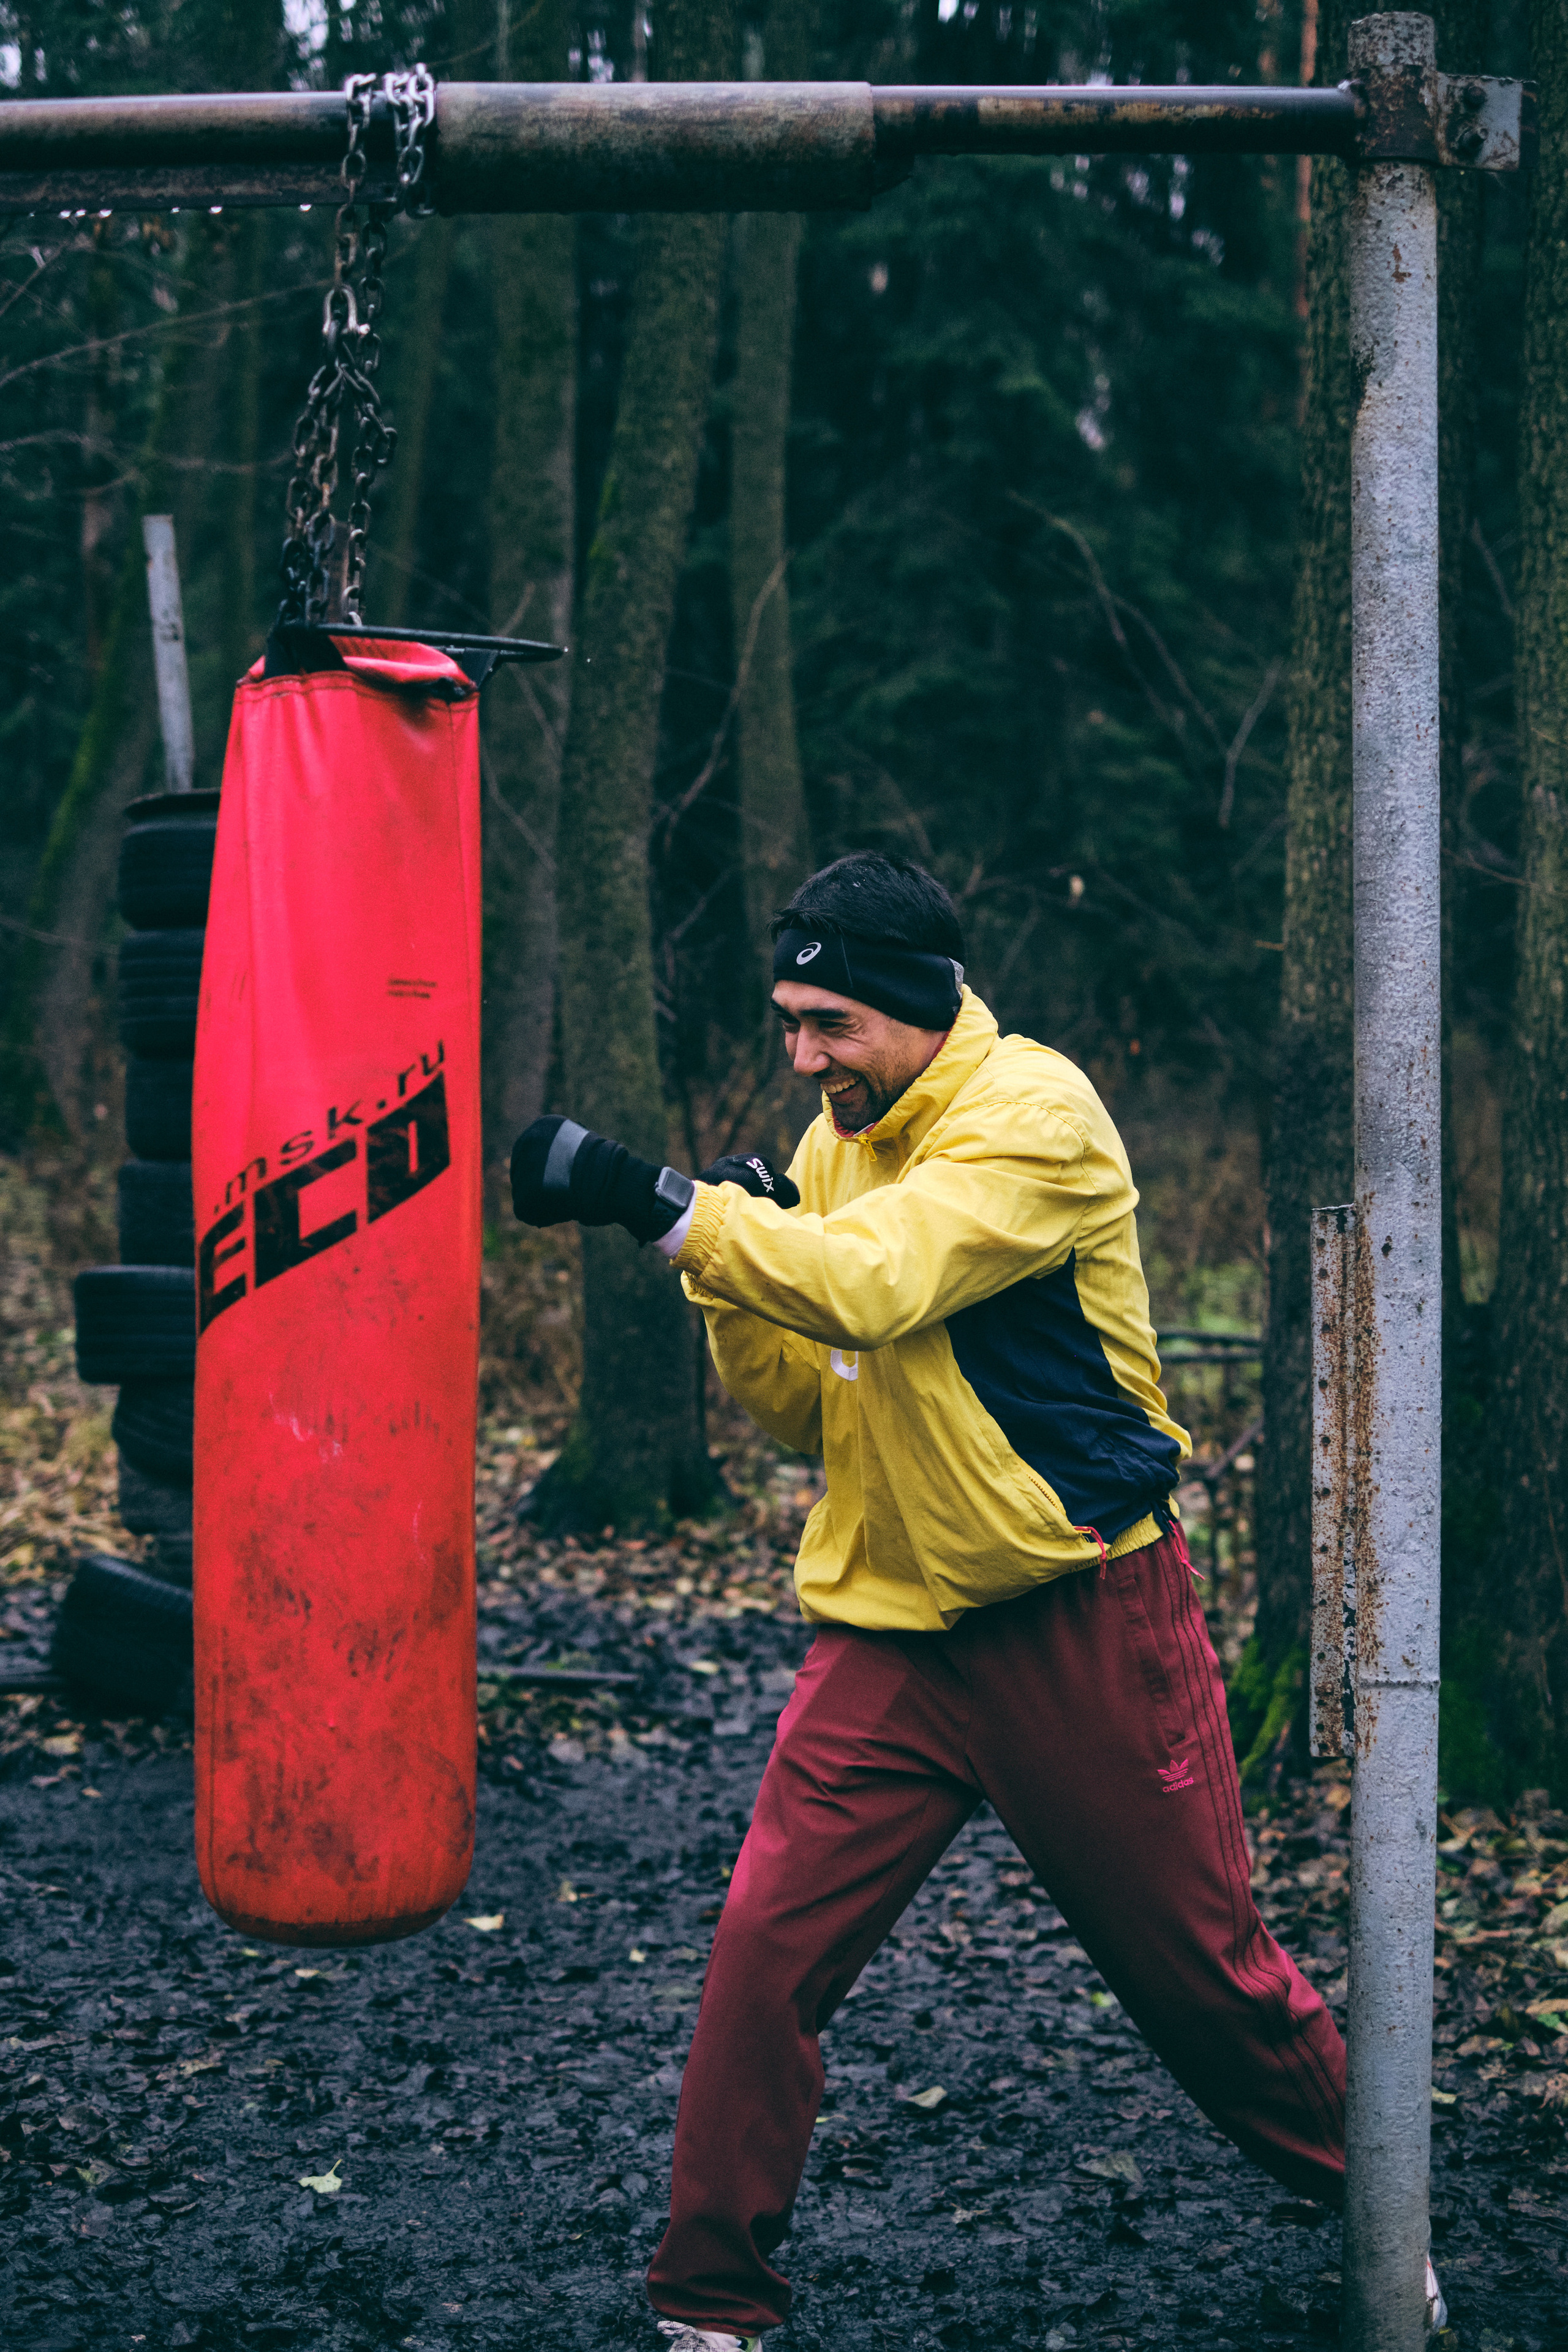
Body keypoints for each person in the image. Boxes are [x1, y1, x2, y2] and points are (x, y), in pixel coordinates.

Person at [509, 851, 1446, 2351]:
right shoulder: (837, 1139)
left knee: (1205, 1982)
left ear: (919, 1009)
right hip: (886, 1629)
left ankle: (1387, 2228)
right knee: (762, 1956)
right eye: (787, 1022)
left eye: (831, 1025)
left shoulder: (1033, 1119)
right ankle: (706, 2310)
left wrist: (656, 1202)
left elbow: (876, 1286)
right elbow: (796, 1411)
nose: (803, 1058)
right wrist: (726, 1273)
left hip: (1075, 1610)